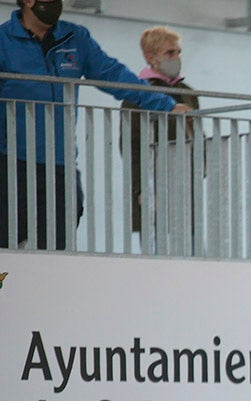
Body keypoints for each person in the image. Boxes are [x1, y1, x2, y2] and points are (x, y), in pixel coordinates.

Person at [0, 0, 191, 249]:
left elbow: (112, 74)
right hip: (10, 161)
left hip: (60, 162)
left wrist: (164, 104)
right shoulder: (3, 40)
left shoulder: (74, 37)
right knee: (6, 242)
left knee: (59, 242)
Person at [121, 26, 200, 238]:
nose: (176, 57)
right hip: (154, 184)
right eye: (169, 53)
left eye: (178, 52)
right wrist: (141, 189)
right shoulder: (137, 95)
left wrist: (200, 169)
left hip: (185, 183)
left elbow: (197, 137)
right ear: (150, 56)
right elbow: (131, 146)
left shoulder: (188, 93)